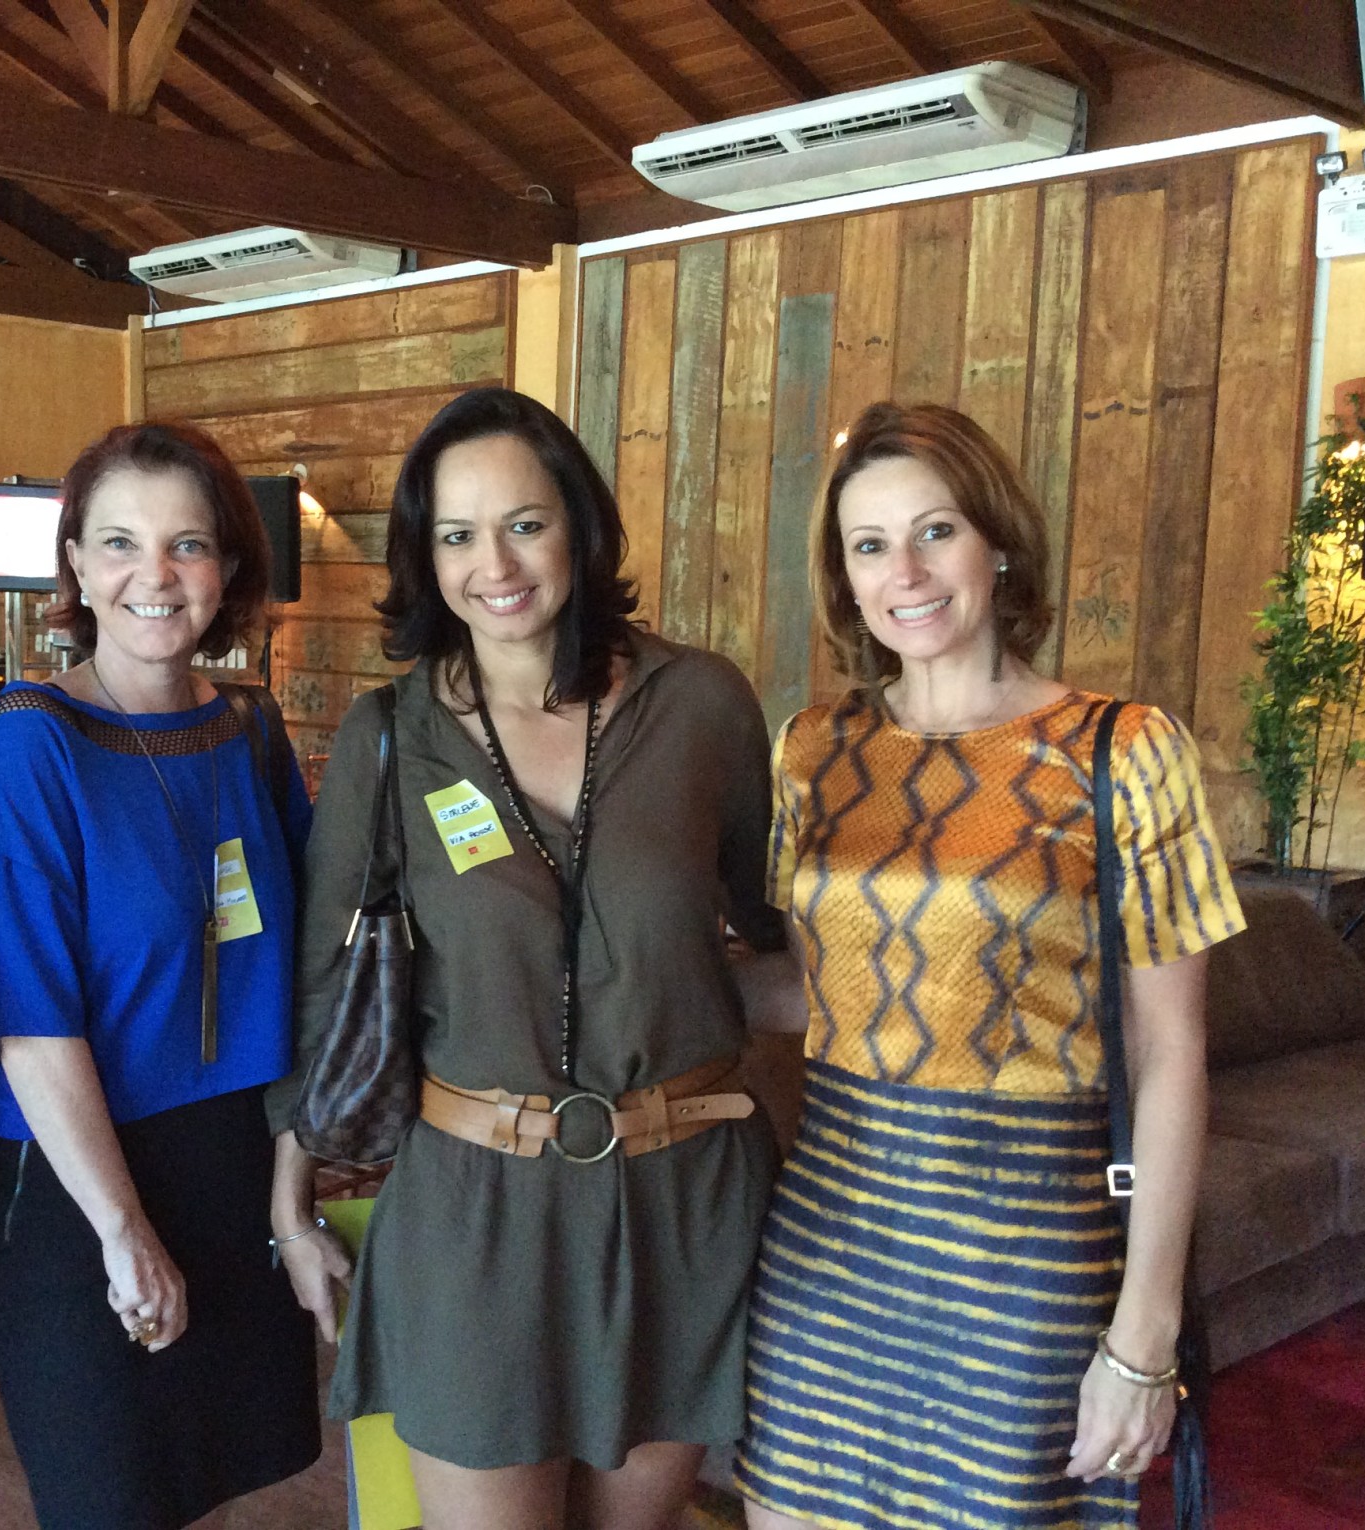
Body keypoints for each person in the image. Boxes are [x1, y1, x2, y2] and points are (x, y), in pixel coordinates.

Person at [270, 386, 790, 1529]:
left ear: (577, 527)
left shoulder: (701, 703)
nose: (491, 564)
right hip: (474, 1212)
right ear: (422, 555)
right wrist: (289, 1199)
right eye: (454, 535)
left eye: (522, 522)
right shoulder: (388, 739)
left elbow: (771, 934)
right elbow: (325, 980)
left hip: (678, 1202)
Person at [735, 401, 1245, 1530]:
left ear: (996, 542)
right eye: (868, 547)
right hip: (829, 1234)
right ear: (843, 577)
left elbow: (1169, 1058)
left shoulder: (1121, 747)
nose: (902, 573)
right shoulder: (810, 751)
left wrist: (1142, 1335)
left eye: (934, 532)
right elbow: (817, 988)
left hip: (1024, 1252)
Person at [0, 421, 320, 1530]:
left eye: (187, 546)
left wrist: (291, 1192)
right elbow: (27, 1016)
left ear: (227, 567)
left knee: (202, 1475)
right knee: (107, 1494)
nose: (152, 578)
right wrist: (122, 1229)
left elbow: (313, 976)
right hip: (75, 1177)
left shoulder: (252, 734)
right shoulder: (33, 737)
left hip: (232, 1155)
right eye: (117, 544)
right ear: (73, 564)